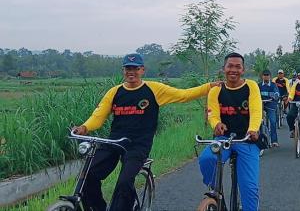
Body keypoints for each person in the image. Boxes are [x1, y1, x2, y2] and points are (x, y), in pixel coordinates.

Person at [72, 53, 219, 211]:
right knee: (88, 176)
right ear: (123, 70)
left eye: (135, 68)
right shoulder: (114, 92)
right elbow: (98, 116)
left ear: (143, 70)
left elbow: (183, 95)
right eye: (128, 68)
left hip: (138, 145)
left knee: (124, 182)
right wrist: (84, 128)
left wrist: (209, 87)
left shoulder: (154, 89)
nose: (131, 72)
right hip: (114, 142)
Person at [199, 52, 262, 211]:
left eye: (237, 66)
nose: (233, 70)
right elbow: (212, 113)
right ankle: (216, 193)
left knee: (249, 188)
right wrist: (217, 123)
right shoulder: (216, 90)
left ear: (243, 69)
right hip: (224, 139)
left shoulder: (251, 86)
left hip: (246, 139)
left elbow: (256, 111)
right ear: (223, 68)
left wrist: (253, 130)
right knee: (206, 159)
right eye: (230, 66)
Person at [259, 69, 280, 147]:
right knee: (258, 122)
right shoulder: (259, 85)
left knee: (273, 121)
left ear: (270, 76)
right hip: (261, 105)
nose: (266, 77)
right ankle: (258, 139)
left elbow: (277, 93)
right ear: (262, 76)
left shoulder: (273, 85)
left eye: (267, 75)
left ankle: (274, 140)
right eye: (264, 75)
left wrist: (276, 96)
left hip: (271, 104)